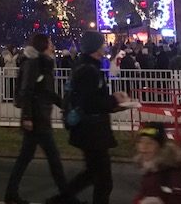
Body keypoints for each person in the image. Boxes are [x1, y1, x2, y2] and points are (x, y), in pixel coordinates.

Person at [55, 31, 129, 204]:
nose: (104, 46)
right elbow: (90, 102)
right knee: (103, 181)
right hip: (92, 131)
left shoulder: (85, 66)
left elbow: (90, 99)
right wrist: (113, 100)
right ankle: (60, 199)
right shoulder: (89, 70)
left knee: (91, 174)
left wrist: (111, 103)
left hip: (88, 129)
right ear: (96, 47)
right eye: (102, 43)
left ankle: (60, 199)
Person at [5, 34, 69, 204]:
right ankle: (66, 197)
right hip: (36, 118)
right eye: (50, 43)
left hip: (39, 117)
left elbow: (46, 92)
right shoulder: (34, 63)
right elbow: (27, 90)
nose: (53, 46)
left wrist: (63, 104)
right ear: (43, 46)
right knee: (53, 158)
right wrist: (27, 117)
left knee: (26, 157)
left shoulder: (42, 63)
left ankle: (10, 194)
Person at [133, 122, 181, 204]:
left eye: (150, 143)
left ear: (160, 147)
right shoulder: (150, 169)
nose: (144, 147)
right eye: (141, 142)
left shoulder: (173, 173)